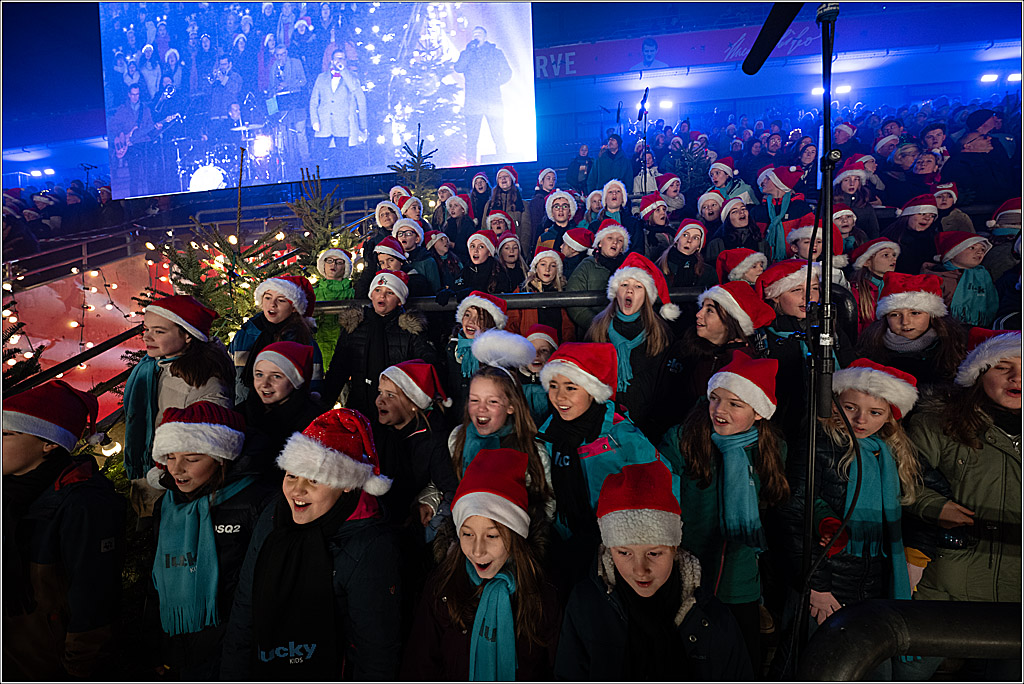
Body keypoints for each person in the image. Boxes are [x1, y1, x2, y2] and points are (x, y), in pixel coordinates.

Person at [220, 409, 402, 680]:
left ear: (346, 484)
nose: (296, 490)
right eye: (291, 476)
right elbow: (245, 609)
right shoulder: (274, 518)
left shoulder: (371, 547)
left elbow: (376, 653)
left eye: (314, 480)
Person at [780, 360, 922, 680]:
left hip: (874, 585)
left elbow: (924, 502)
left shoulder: (889, 453)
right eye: (850, 407)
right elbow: (793, 512)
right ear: (835, 404)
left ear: (889, 416)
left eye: (875, 412)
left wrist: (917, 556)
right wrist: (816, 585)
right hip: (827, 580)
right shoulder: (820, 444)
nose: (860, 420)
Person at [555, 460, 753, 681]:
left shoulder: (713, 619)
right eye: (624, 553)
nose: (640, 570)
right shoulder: (585, 606)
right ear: (609, 549)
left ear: (674, 547)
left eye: (654, 553)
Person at [901, 330, 1021, 681]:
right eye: (1003, 366)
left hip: (1018, 588)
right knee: (908, 669)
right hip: (949, 576)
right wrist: (932, 506)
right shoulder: (940, 422)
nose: (1017, 378)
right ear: (979, 372)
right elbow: (902, 476)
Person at [659, 353, 788, 673]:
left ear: (758, 413)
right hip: (686, 571)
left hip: (740, 579)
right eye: (715, 399)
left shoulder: (771, 449)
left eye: (735, 404)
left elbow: (775, 502)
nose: (719, 410)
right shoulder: (683, 439)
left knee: (740, 663)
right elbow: (663, 500)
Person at [2, 381, 125, 680]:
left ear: (49, 443)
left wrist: (78, 668)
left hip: (45, 664)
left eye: (7, 434)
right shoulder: (9, 492)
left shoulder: (82, 503)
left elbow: (94, 597)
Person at [401, 448, 559, 680]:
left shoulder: (542, 593)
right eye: (467, 534)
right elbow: (419, 666)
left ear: (516, 535)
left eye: (492, 536)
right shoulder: (443, 586)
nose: (477, 550)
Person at [148, 402, 273, 680]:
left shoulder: (257, 503)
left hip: (234, 645)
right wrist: (159, 649)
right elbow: (156, 584)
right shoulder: (166, 505)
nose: (177, 469)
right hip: (178, 645)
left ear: (221, 458)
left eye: (192, 459)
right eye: (170, 456)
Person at [537, 342, 673, 586]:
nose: (560, 397)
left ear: (592, 391)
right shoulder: (547, 435)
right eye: (553, 386)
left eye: (571, 387)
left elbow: (664, 481)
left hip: (616, 547)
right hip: (563, 543)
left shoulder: (622, 437)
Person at [123, 296, 234, 511]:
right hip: (158, 468)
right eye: (146, 329)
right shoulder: (162, 365)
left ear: (187, 335)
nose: (147, 336)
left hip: (174, 483)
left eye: (159, 331)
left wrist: (165, 477)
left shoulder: (203, 383)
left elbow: (205, 447)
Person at [449, 330, 555, 521]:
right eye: (474, 400)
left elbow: (546, 502)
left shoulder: (532, 451)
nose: (481, 409)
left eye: (492, 402)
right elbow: (446, 485)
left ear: (511, 406)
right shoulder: (457, 439)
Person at [323, 269, 437, 416]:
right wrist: (325, 403)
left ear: (399, 300)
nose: (382, 295)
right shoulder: (355, 326)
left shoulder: (410, 330)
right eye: (378, 290)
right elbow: (338, 368)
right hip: (360, 403)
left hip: (396, 408)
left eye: (390, 292)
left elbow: (426, 363)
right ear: (371, 295)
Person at [373, 360, 458, 540]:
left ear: (413, 403)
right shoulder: (376, 431)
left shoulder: (433, 440)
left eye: (391, 395)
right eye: (380, 392)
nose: (380, 400)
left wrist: (431, 504)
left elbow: (450, 487)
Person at [855, 271, 968, 390]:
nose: (905, 322)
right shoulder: (870, 348)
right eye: (895, 315)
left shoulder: (953, 347)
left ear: (932, 315)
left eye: (915, 313)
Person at [228, 275, 322, 405]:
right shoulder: (244, 335)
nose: (272, 304)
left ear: (294, 308)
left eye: (281, 300)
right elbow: (229, 377)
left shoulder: (303, 341)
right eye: (267, 298)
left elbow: (313, 387)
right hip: (244, 413)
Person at [240, 342, 326, 478]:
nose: (265, 383)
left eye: (276, 376)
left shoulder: (312, 422)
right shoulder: (241, 413)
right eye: (259, 374)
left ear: (295, 381)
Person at [444, 291, 509, 423]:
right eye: (467, 315)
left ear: (491, 323)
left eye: (480, 318)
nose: (471, 321)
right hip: (456, 418)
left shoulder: (499, 356)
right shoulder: (452, 348)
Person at [455, 26, 512, 164]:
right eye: (474, 34)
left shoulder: (495, 53)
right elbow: (459, 68)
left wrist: (495, 83)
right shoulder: (467, 53)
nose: (476, 36)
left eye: (479, 34)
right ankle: (470, 168)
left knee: (498, 136)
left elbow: (507, 72)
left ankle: (504, 165)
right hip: (473, 103)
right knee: (472, 140)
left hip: (492, 101)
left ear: (485, 36)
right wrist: (469, 51)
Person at [309, 48, 368, 175]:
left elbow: (354, 90)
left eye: (342, 58)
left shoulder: (352, 77)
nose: (339, 61)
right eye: (337, 58)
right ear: (331, 61)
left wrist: (343, 71)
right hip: (323, 125)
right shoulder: (321, 77)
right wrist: (314, 120)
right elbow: (314, 101)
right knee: (319, 160)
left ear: (345, 61)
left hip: (342, 126)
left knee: (343, 160)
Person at [921, 231, 999, 328]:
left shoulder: (983, 276)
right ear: (953, 253)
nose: (980, 252)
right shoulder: (936, 277)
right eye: (972, 248)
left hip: (979, 328)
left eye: (983, 250)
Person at [565, 220, 629, 332]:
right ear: (599, 243)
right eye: (610, 238)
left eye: (619, 240)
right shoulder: (587, 265)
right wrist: (597, 325)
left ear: (622, 249)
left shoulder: (628, 268)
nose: (615, 243)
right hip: (594, 331)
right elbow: (573, 302)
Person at [506, 246, 575, 344]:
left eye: (553, 266)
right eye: (543, 264)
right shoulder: (523, 290)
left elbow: (568, 328)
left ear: (557, 271)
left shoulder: (562, 293)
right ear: (536, 267)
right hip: (528, 347)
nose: (547, 269)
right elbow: (511, 323)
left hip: (555, 348)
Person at [752, 165, 814, 264]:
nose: (763, 182)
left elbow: (809, 239)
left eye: (768, 178)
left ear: (778, 183)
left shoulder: (800, 208)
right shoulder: (758, 211)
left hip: (794, 263)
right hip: (764, 263)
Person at [311, 248, 354, 371]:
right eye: (329, 260)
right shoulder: (312, 293)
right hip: (318, 346)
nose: (333, 264)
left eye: (339, 262)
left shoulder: (353, 293)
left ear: (345, 267)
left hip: (345, 347)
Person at [849, 237, 901, 334]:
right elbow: (856, 326)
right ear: (867, 262)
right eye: (885, 255)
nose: (893, 259)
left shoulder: (898, 286)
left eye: (894, 255)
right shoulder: (858, 290)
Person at [883, 194, 942, 276]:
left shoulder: (933, 239)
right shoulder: (890, 237)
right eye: (922, 214)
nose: (927, 218)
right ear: (908, 215)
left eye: (932, 216)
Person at [657, 218, 718, 290]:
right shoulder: (657, 268)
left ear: (699, 246)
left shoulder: (708, 273)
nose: (689, 240)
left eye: (695, 238)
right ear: (677, 240)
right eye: (685, 235)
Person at [706, 197, 766, 268]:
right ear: (728, 219)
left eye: (743, 209)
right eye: (735, 211)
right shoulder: (717, 244)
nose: (741, 212)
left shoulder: (759, 240)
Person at [593, 179, 644, 256]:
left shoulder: (634, 224)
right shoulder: (594, 225)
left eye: (618, 191)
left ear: (623, 199)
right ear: (605, 200)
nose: (614, 193)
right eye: (610, 192)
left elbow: (638, 250)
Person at [481, 166, 529, 247]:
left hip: (514, 248)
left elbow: (526, 231)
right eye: (500, 177)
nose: (503, 179)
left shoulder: (522, 204)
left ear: (512, 179)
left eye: (506, 176)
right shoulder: (490, 204)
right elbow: (484, 228)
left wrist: (523, 251)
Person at [393, 217, 442, 294]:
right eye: (400, 234)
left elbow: (435, 289)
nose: (403, 236)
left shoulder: (427, 261)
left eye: (408, 233)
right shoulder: (394, 259)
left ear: (417, 239)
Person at [455, 231, 502, 295]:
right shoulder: (465, 270)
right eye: (472, 246)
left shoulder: (498, 272)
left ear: (489, 252)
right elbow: (457, 288)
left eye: (481, 247)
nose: (475, 250)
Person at [443, 192, 476, 264]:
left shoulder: (468, 224)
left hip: (464, 261)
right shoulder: (449, 224)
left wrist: (453, 245)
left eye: (456, 206)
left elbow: (469, 247)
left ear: (463, 209)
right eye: (450, 206)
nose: (452, 208)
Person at [528, 168, 557, 240]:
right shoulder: (537, 200)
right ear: (541, 181)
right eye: (548, 178)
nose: (551, 181)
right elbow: (535, 222)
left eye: (553, 179)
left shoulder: (556, 198)